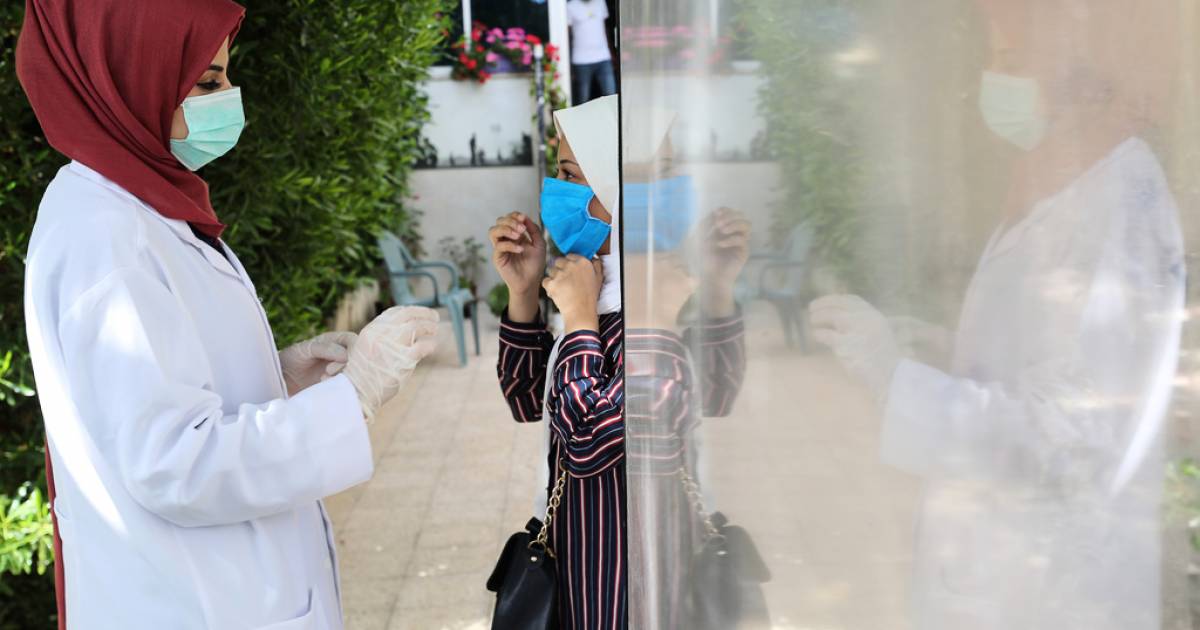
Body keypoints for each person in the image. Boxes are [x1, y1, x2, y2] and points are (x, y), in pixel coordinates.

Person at [17, 1, 437, 628]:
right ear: (133, 75)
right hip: (193, 604)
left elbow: (164, 391)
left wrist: (279, 378)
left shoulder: (141, 203)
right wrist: (353, 397)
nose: (229, 101)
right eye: (209, 82)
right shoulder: (105, 236)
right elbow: (173, 464)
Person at [810, 1, 1185, 628]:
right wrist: (938, 348)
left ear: (1077, 73)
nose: (989, 80)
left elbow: (1071, 441)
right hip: (1011, 574)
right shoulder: (1070, 191)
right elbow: (1051, 359)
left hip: (1054, 592)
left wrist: (895, 379)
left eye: (1009, 58)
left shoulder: (1116, 206)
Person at [489, 95, 623, 629]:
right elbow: (528, 401)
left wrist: (581, 318)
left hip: (614, 576)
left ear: (618, 187)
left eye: (571, 174)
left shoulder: (652, 305)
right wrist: (524, 293)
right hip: (572, 558)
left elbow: (587, 437)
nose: (557, 190)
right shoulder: (596, 284)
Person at [566, 0, 617, 105]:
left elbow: (605, 28)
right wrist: (568, 64)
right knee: (582, 100)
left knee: (611, 96)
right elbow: (567, 37)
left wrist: (612, 53)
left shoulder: (600, 2)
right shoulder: (571, 6)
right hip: (581, 60)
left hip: (603, 57)